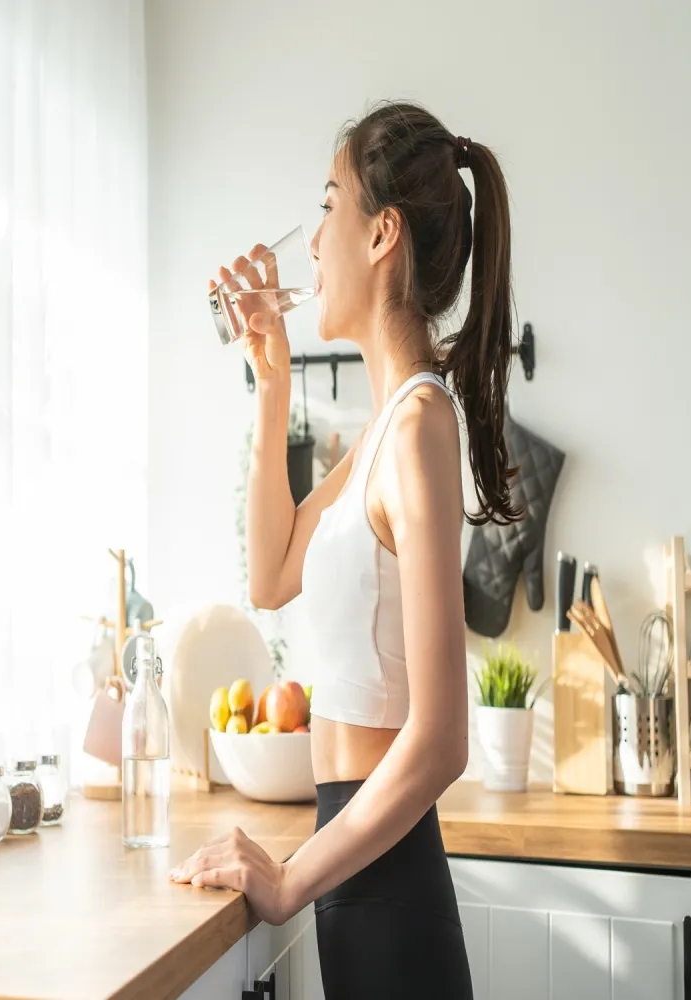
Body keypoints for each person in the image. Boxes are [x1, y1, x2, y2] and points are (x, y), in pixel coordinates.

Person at [170, 100, 521, 998]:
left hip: (387, 893)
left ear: (382, 234)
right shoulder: (381, 434)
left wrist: (288, 880)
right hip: (359, 875)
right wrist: (273, 383)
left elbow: (442, 740)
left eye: (328, 206)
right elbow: (271, 573)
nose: (314, 241)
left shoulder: (417, 428)